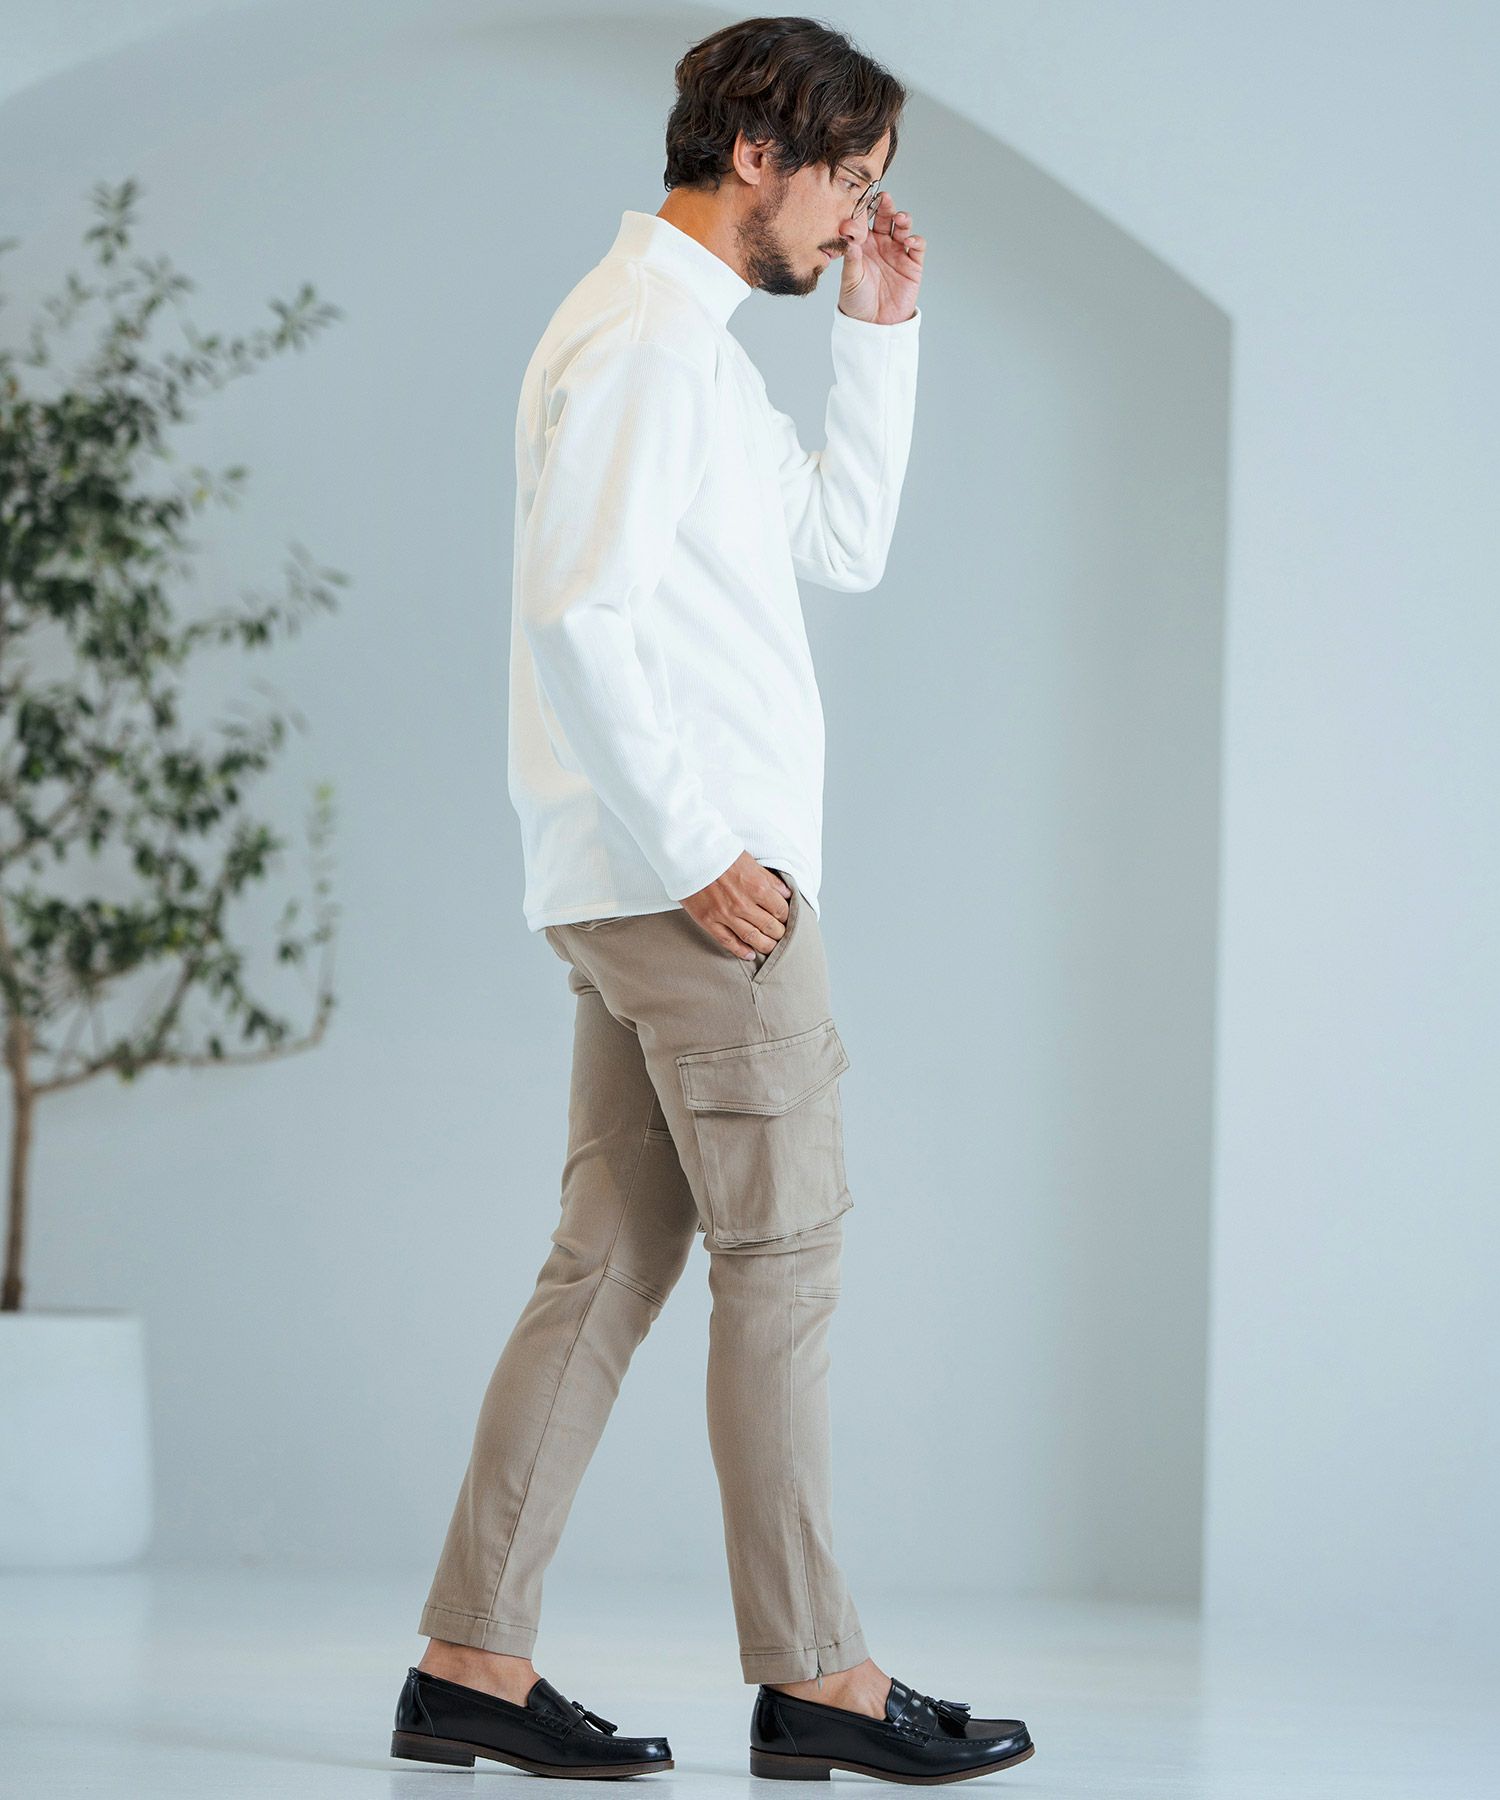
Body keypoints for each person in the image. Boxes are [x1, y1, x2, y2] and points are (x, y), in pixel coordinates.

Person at [389, 15, 1034, 1785]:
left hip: (650, 884)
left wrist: (879, 331)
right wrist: (695, 851)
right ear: (757, 152)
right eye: (850, 180)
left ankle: (469, 1660)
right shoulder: (645, 346)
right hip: (698, 895)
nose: (858, 214)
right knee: (786, 1264)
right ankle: (819, 1676)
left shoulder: (690, 344)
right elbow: (575, 612)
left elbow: (840, 547)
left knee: (608, 1264)